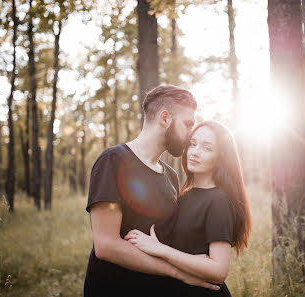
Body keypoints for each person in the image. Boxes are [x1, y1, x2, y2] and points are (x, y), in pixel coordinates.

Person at [84, 85, 220, 297]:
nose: (190, 134)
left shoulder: (171, 176)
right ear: (165, 118)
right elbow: (106, 245)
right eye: (187, 124)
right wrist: (177, 273)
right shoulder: (113, 161)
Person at [125, 120, 252, 297]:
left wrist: (161, 249)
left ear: (220, 158)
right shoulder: (183, 196)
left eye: (207, 148)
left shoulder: (219, 200)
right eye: (192, 144)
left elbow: (219, 270)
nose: (195, 152)